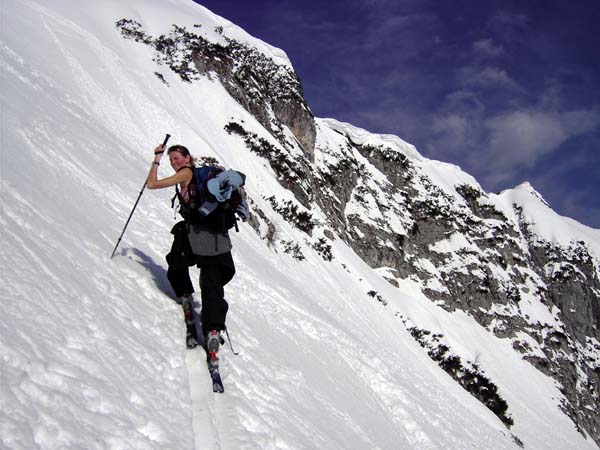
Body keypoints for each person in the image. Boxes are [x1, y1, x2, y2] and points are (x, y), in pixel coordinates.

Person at [147, 142, 240, 359]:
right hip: (215, 238)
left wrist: (157, 159)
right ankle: (213, 330)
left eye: (177, 158)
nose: (174, 162)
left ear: (188, 158)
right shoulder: (194, 175)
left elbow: (152, 184)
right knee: (212, 283)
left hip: (198, 234)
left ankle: (186, 296)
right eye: (171, 160)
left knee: (178, 263)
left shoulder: (186, 174)